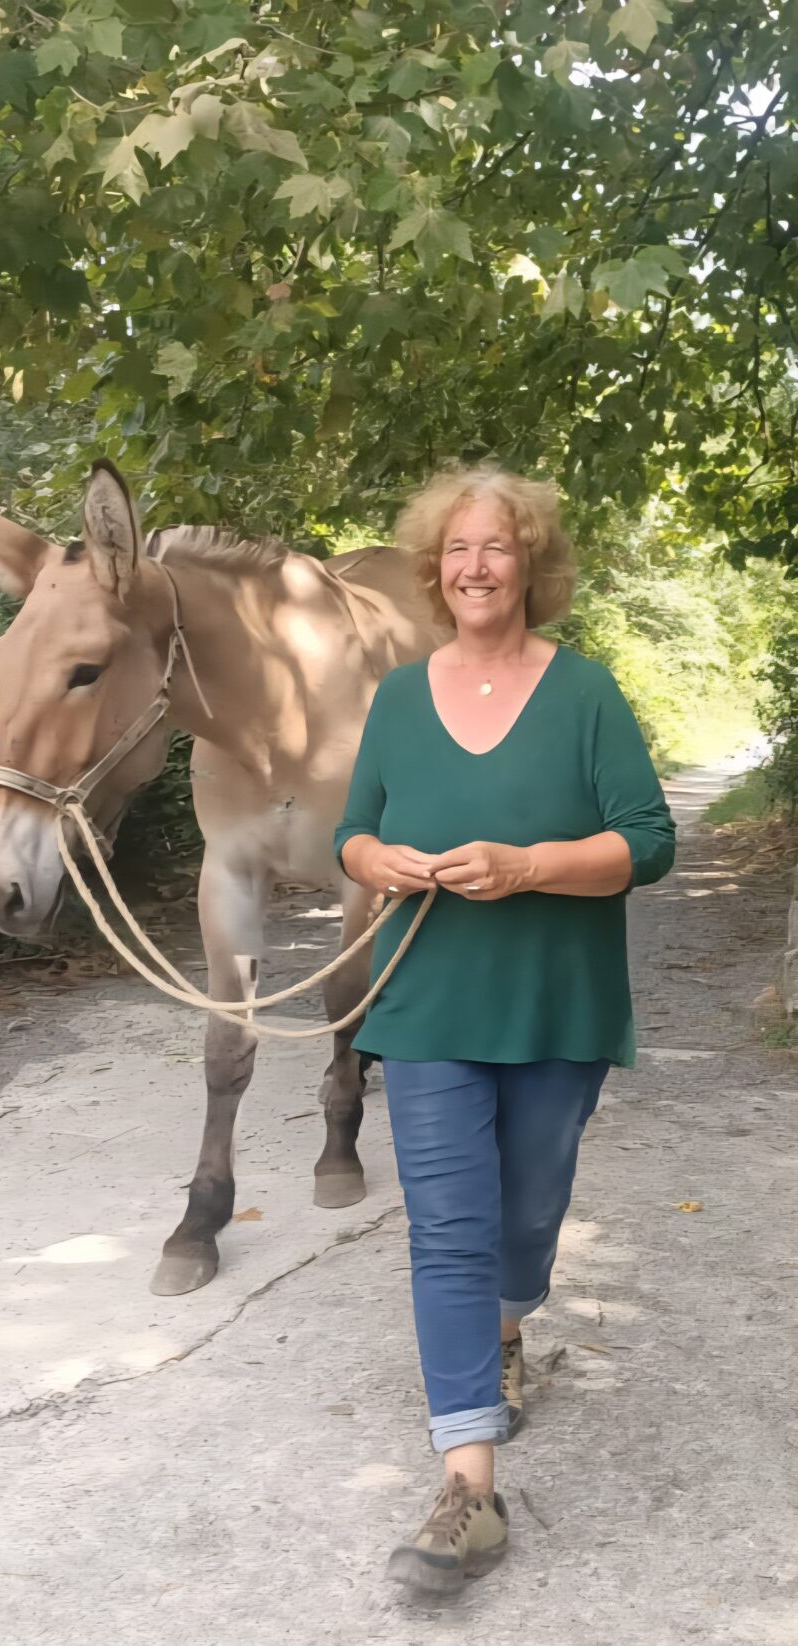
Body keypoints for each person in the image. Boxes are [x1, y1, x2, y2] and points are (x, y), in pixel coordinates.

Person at [334, 465, 676, 1598]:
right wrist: (375, 859)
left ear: (531, 564)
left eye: (497, 546)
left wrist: (529, 865)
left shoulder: (586, 692)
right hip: (426, 1000)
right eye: (457, 548)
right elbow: (352, 831)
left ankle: (510, 1325)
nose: (475, 565)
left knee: (527, 1213)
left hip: (554, 1003)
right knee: (448, 1229)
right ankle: (467, 1489)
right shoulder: (397, 697)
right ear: (435, 571)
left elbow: (649, 840)